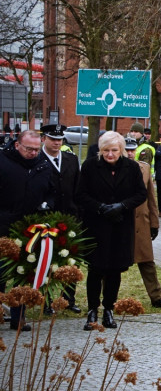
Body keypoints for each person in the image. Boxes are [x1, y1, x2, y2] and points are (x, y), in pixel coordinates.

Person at [76, 132, 148, 330]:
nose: (110, 154)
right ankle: (92, 310)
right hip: (96, 224)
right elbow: (81, 194)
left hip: (121, 224)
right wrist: (100, 207)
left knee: (115, 269)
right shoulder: (91, 166)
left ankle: (109, 308)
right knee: (96, 269)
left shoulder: (132, 167)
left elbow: (141, 194)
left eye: (114, 150)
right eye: (106, 150)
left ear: (122, 150)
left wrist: (122, 206)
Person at [0, 130, 57, 330]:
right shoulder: (3, 162)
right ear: (17, 145)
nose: (33, 153)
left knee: (23, 273)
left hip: (29, 228)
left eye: (36, 149)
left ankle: (18, 316)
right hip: (3, 224)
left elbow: (52, 191)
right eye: (28, 149)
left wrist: (46, 205)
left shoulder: (43, 165)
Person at [40, 123, 83, 314]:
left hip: (70, 217)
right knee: (46, 260)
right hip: (45, 219)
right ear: (44, 139)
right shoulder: (37, 159)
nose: (57, 143)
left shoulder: (71, 160)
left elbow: (78, 188)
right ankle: (46, 300)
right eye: (53, 139)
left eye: (59, 139)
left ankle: (68, 298)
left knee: (71, 260)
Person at [131, 145, 161, 308]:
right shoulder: (114, 168)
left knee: (147, 261)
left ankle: (156, 296)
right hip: (121, 223)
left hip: (142, 222)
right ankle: (107, 297)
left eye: (132, 150)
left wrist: (154, 223)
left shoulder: (144, 168)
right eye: (127, 150)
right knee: (113, 264)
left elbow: (152, 199)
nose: (130, 153)